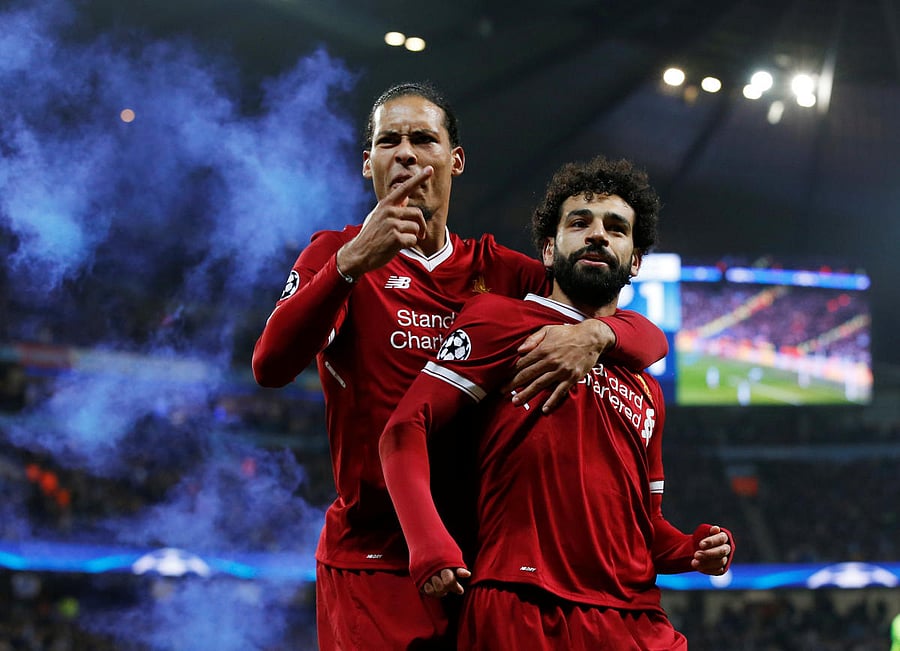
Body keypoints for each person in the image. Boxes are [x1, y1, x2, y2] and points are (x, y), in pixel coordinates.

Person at [252, 83, 668, 650]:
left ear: (455, 159)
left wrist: (598, 332)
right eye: (388, 141)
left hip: (478, 565)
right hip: (374, 558)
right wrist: (350, 266)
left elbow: (639, 332)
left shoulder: (503, 272)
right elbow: (270, 366)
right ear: (367, 162)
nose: (405, 153)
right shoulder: (334, 254)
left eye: (423, 138)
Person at [380, 155, 734, 650]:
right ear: (549, 250)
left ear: (634, 261)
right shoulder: (497, 321)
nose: (597, 235)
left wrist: (692, 549)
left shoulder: (646, 387)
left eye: (616, 228)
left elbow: (647, 528)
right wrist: (428, 542)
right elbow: (404, 428)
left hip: (634, 616)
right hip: (524, 603)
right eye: (579, 222)